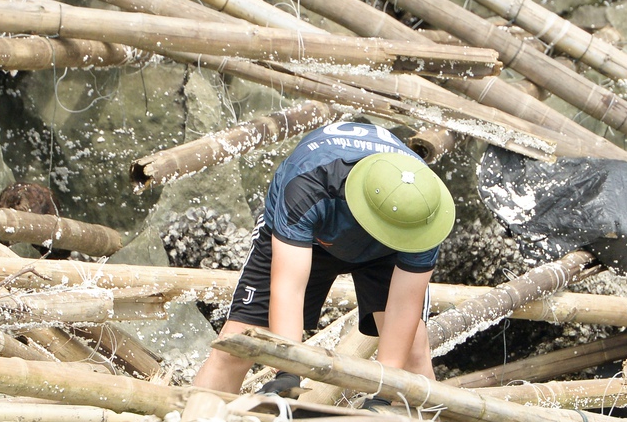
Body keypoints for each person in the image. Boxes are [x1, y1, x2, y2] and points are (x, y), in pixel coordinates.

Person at [191, 119, 454, 397]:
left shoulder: (426, 213)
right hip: (312, 234)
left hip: (391, 246)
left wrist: (385, 393)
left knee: (414, 360)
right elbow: (288, 288)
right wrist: (287, 370)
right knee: (238, 345)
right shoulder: (308, 184)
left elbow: (404, 305)